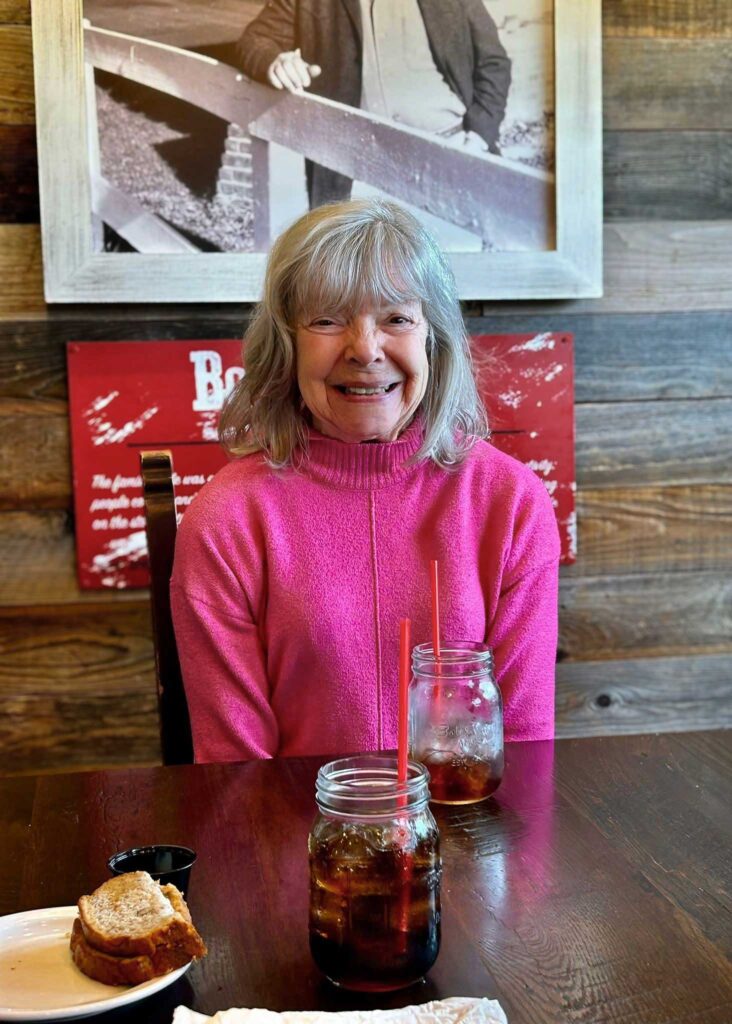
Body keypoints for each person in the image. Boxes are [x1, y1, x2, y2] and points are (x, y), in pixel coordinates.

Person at [171, 198, 559, 763]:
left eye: (397, 318)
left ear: (433, 338)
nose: (365, 349)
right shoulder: (226, 521)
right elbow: (237, 780)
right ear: (286, 345)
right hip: (304, 842)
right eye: (327, 320)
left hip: (469, 835)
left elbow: (522, 753)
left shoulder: (510, 503)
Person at [234, 0, 511, 208]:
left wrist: (477, 137)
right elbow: (255, 40)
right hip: (356, 171)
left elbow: (493, 63)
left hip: (448, 157)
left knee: (447, 275)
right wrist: (275, 61)